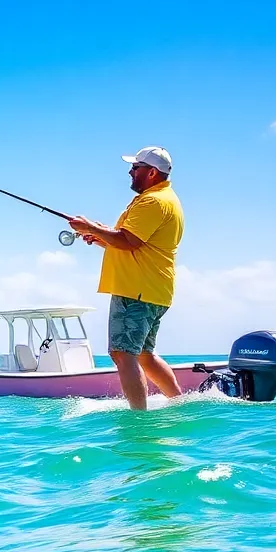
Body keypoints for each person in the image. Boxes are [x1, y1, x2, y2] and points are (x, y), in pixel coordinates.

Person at [68, 146, 185, 411]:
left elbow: (128, 241)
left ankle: (138, 417)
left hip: (137, 290)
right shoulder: (164, 199)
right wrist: (99, 236)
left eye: (136, 168)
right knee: (144, 354)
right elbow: (133, 243)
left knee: (123, 353)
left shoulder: (153, 202)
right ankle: (179, 403)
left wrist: (90, 227)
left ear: (152, 172)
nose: (130, 172)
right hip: (153, 289)